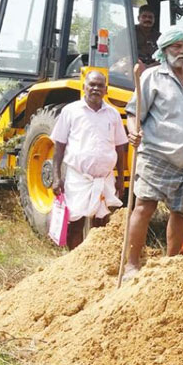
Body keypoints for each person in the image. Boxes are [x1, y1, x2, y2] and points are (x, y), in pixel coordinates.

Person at [123, 27, 183, 280]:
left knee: (182, 211)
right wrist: (133, 131)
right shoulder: (152, 77)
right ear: (165, 50)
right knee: (144, 207)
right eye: (177, 47)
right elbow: (134, 112)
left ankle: (171, 264)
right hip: (157, 157)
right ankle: (131, 264)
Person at [51, 70, 127, 249]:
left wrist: (121, 178)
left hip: (105, 178)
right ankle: (75, 261)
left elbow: (120, 148)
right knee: (76, 222)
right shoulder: (70, 111)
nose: (95, 89)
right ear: (84, 87)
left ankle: (95, 260)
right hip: (78, 178)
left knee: (101, 223)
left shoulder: (113, 114)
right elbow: (59, 146)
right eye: (92, 85)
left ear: (106, 90)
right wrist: (56, 177)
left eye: (100, 86)